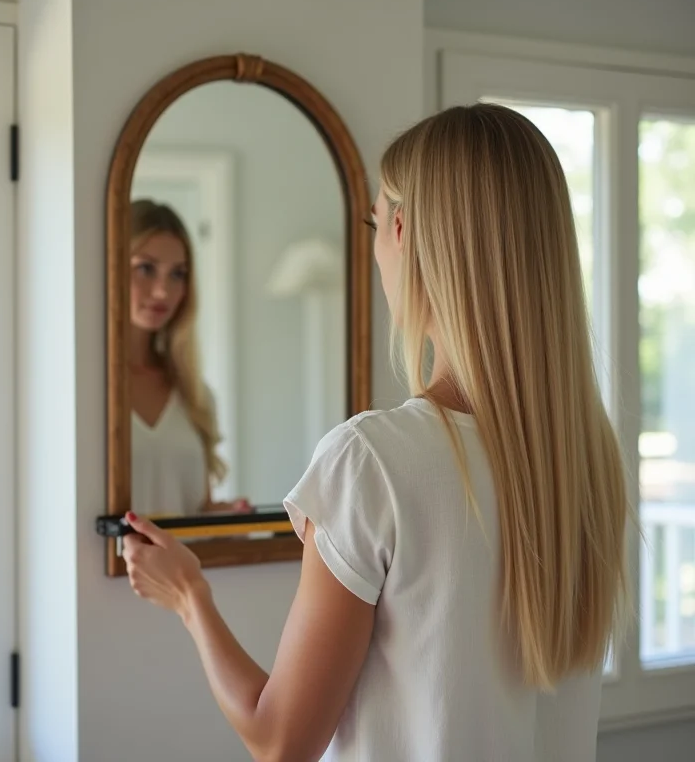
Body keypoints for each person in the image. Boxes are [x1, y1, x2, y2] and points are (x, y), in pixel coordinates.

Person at [122, 106, 629, 761]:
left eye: (374, 222)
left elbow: (280, 741)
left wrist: (189, 595)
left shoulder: (372, 461)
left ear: (399, 229)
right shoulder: (588, 462)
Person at [129, 199, 250, 516]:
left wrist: (225, 518)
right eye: (145, 268)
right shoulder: (81, 392)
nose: (162, 292)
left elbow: (195, 511)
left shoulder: (196, 396)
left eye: (177, 275)